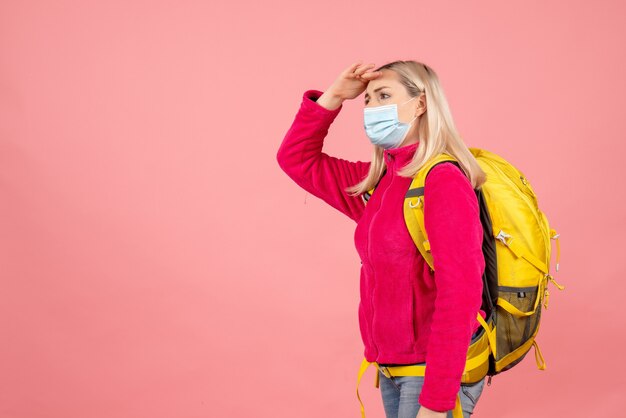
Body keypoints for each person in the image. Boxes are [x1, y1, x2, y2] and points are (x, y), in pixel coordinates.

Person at [276, 60, 488, 418]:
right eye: (369, 100)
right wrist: (334, 97)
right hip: (392, 370)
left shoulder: (443, 181)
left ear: (420, 104)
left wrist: (436, 402)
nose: (372, 108)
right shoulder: (376, 184)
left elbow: (462, 294)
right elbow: (296, 159)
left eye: (384, 95)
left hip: (432, 372)